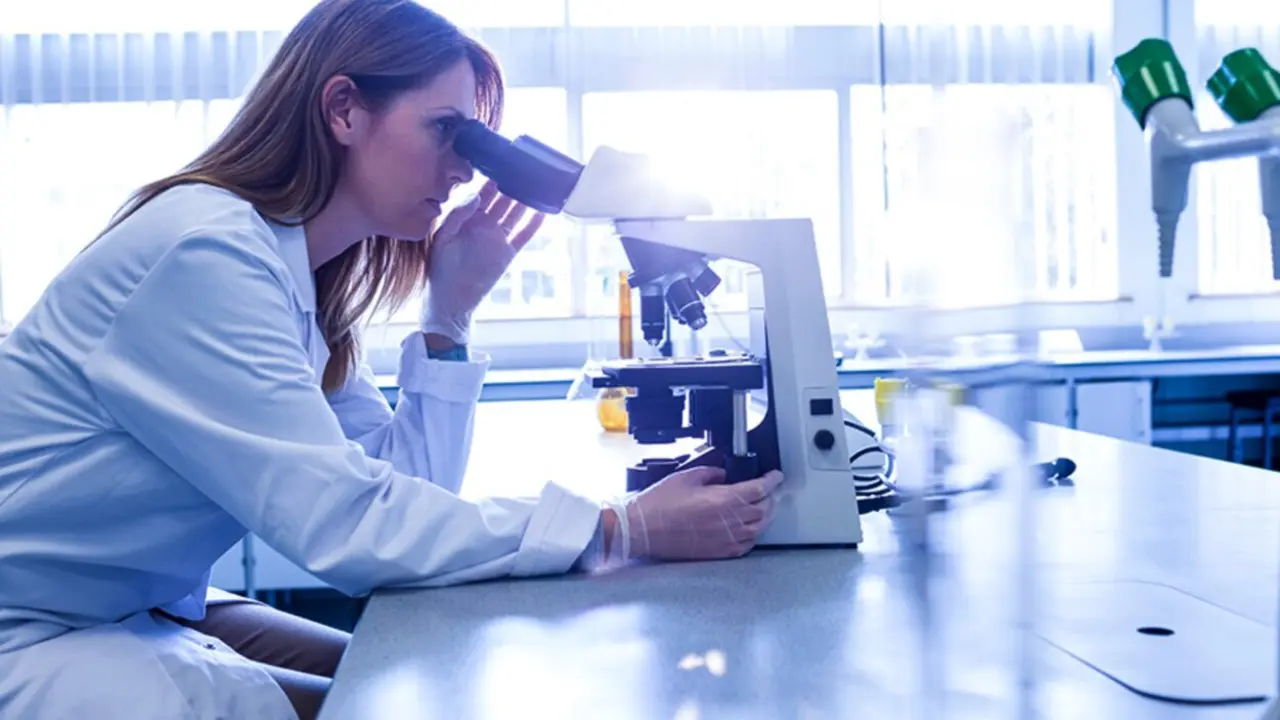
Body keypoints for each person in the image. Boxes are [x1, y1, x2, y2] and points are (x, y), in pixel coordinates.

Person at [0, 1, 786, 718]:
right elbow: (349, 528)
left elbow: (403, 495)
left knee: (405, 669)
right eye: (449, 131)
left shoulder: (294, 276)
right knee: (389, 702)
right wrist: (624, 529)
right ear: (344, 109)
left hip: (125, 603)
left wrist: (448, 317)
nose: (469, 169)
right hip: (31, 627)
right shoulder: (205, 254)